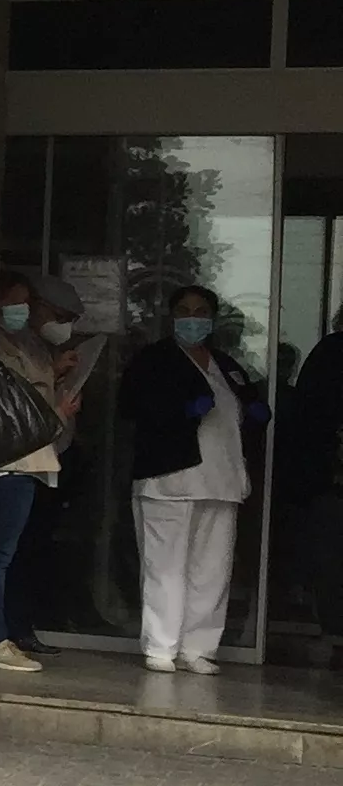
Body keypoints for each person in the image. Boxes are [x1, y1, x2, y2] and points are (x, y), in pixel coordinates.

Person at [118, 283, 271, 675]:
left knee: (211, 569)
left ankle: (198, 647)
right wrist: (180, 411)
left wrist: (255, 411)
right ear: (173, 317)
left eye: (201, 311)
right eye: (185, 310)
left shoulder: (226, 364)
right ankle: (162, 646)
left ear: (212, 318)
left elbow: (248, 406)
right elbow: (132, 407)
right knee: (165, 567)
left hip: (221, 480)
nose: (193, 318)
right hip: (169, 478)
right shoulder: (154, 360)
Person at [0, 270, 83, 672]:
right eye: (14, 303)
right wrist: (57, 412)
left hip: (33, 461)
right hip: (10, 461)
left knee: (11, 553)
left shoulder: (28, 344)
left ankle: (6, 632)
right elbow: (13, 408)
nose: (20, 311)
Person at [288, 307, 343, 666]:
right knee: (332, 557)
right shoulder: (332, 353)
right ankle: (335, 633)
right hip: (332, 481)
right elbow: (309, 417)